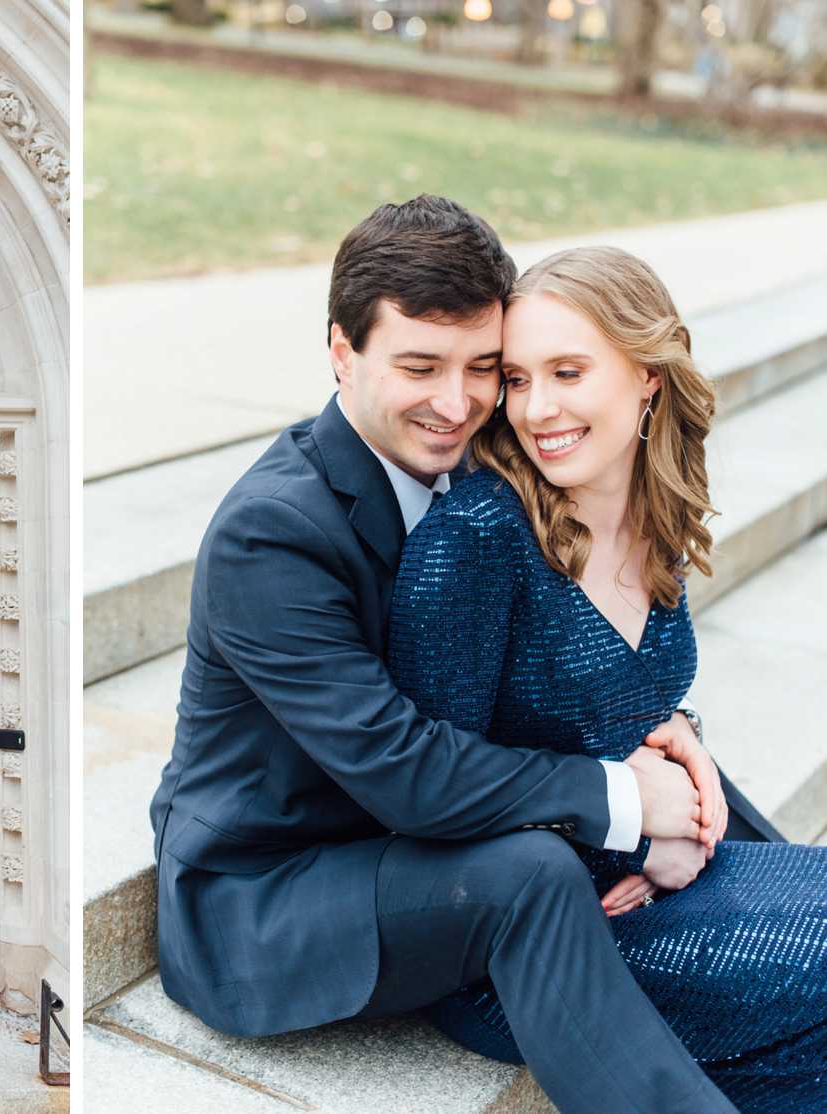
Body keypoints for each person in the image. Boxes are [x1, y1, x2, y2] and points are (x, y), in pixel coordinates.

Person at [147, 196, 766, 1113]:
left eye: (484, 368)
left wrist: (679, 759)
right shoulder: (271, 533)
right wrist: (631, 799)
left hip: (418, 843)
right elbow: (403, 770)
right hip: (275, 892)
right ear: (341, 352)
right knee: (536, 874)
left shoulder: (484, 469)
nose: (457, 402)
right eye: (420, 366)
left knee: (746, 864)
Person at [388, 245, 824, 1111]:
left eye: (568, 372)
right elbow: (431, 790)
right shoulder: (478, 539)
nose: (538, 408)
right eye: (517, 379)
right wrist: (629, 827)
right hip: (531, 940)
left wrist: (684, 741)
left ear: (648, 376)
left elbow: (631, 697)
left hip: (651, 885)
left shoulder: (651, 510)